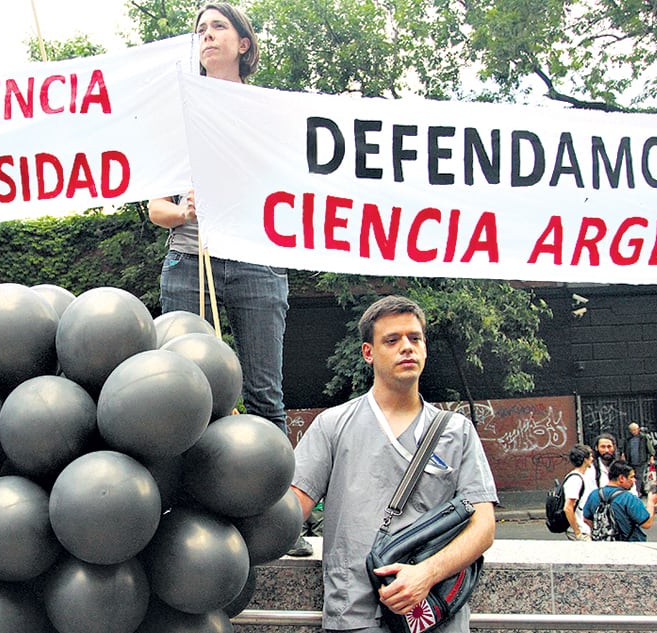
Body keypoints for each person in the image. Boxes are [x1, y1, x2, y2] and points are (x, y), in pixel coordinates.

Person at [291, 295, 497, 632]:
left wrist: (427, 573)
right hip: (355, 612)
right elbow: (291, 507)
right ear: (368, 353)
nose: (407, 347)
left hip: (431, 614)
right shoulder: (333, 426)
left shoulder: (455, 431)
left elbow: (484, 526)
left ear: (426, 348)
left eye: (415, 338)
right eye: (392, 339)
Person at [147, 3, 289, 437]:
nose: (207, 35)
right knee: (186, 392)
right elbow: (157, 209)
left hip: (257, 262)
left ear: (242, 43)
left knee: (265, 394)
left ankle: (276, 500)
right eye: (201, 29)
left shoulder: (270, 111)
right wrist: (185, 211)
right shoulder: (177, 116)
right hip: (189, 261)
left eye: (218, 27)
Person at [583, 460, 657, 541]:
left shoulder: (594, 495)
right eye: (631, 477)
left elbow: (586, 519)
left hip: (602, 545)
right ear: (621, 478)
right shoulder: (629, 498)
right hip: (629, 545)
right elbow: (646, 523)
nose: (634, 480)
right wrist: (651, 503)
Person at [562, 444, 595, 541]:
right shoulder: (575, 479)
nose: (592, 459)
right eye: (591, 456)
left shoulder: (582, 477)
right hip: (581, 530)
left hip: (584, 529)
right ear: (585, 459)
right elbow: (568, 508)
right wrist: (577, 532)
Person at [621, 423, 655, 496]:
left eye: (635, 430)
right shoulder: (628, 439)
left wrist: (652, 457)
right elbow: (624, 448)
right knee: (634, 476)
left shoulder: (643, 437)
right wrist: (623, 455)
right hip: (630, 461)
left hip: (641, 460)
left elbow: (650, 448)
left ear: (638, 429)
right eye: (632, 430)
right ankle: (641, 491)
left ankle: (637, 492)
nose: (633, 432)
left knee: (639, 476)